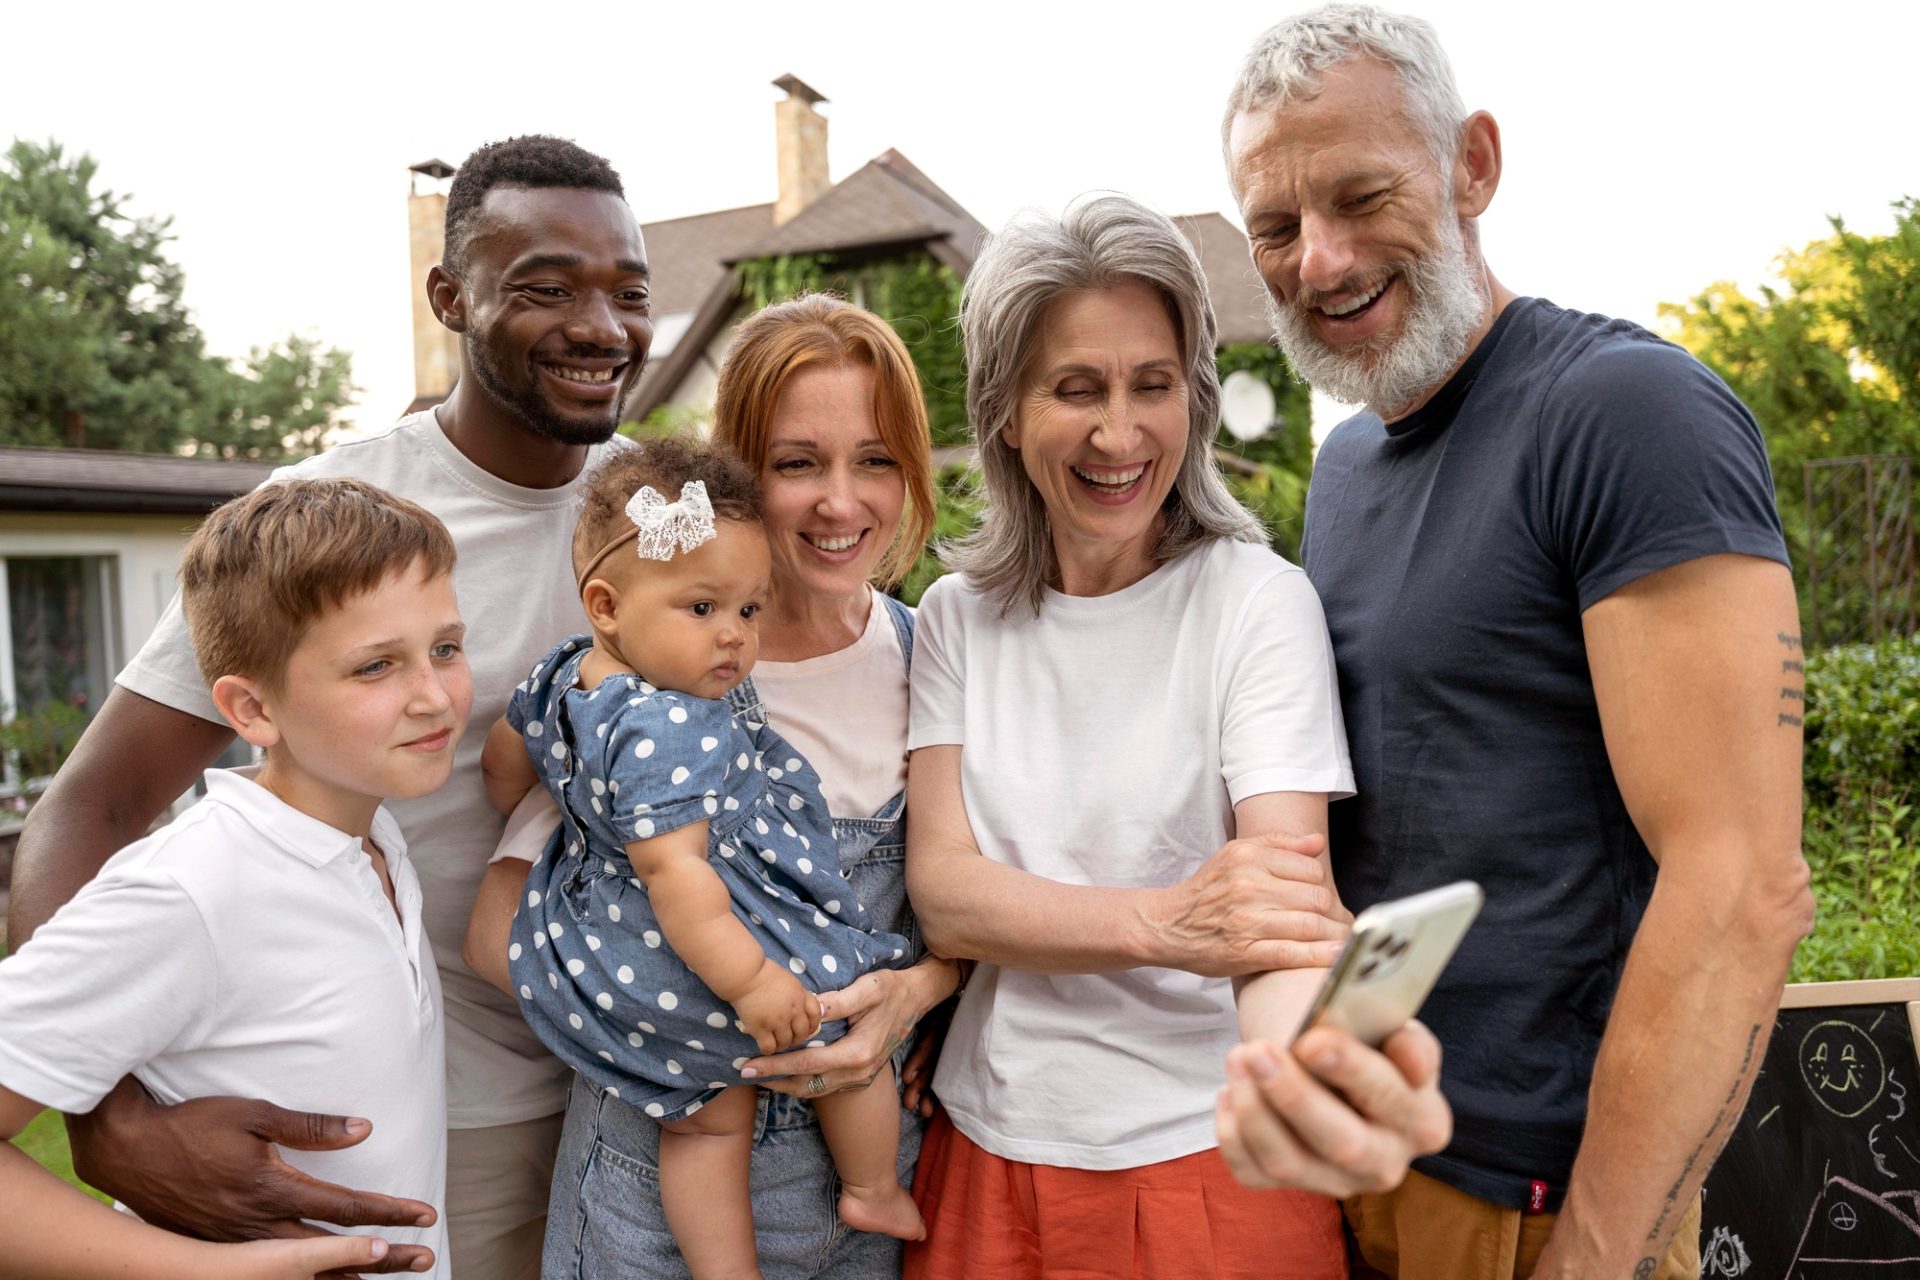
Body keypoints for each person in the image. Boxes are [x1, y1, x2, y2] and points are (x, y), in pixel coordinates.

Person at [1218, 6, 1811, 1277]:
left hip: (1547, 1199)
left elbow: (1743, 888)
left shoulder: (1626, 411)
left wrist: (1593, 1254)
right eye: (1275, 226)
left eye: (1361, 196)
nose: (1320, 260)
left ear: (1472, 164)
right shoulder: (1346, 465)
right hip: (1373, 1159)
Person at [5, 134, 650, 1278]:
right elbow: (93, 804)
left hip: (655, 1092)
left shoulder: (665, 508)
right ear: (451, 297)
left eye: (629, 292)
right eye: (548, 287)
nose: (600, 326)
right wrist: (113, 1118)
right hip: (439, 1116)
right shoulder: (339, 519)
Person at [901, 193, 1438, 1280]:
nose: (1120, 434)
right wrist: (1168, 922)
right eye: (1076, 389)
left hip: (1203, 1159)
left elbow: (1277, 917)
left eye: (1153, 385)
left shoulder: (1256, 604)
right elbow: (945, 892)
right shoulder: (956, 615)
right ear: (1006, 412)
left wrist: (1297, 1072)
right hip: (983, 1148)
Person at [462, 292, 963, 1278]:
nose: (841, 502)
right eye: (797, 463)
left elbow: (976, 912)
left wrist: (915, 994)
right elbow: (497, 931)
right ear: (736, 476)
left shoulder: (934, 653)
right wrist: (700, 1012)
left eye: (875, 459)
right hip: (661, 1181)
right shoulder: (659, 676)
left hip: (873, 1179)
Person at [0, 478, 471, 1278]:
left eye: (447, 649)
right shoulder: (190, 890)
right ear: (251, 711)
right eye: (376, 667)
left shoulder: (372, 837)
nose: (435, 697)